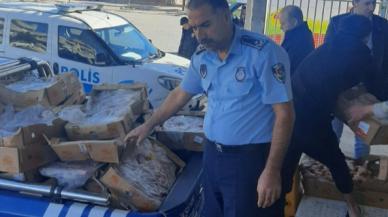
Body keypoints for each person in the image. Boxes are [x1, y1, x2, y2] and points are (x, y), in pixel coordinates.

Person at [126, 0, 295, 216]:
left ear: (225, 15)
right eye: (195, 28)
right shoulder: (202, 56)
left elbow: (285, 115)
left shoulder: (262, 53)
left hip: (250, 162)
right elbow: (180, 94)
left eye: (206, 25)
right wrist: (148, 125)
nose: (199, 35)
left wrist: (271, 171)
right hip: (213, 156)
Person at [284, 15, 374, 217]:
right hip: (312, 120)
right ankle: (352, 207)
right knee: (335, 161)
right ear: (364, 36)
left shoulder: (327, 49)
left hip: (289, 113)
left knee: (287, 163)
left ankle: (277, 204)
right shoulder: (359, 54)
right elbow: (369, 85)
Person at [326, 0, 388, 160]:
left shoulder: (382, 25)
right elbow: (329, 51)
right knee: (334, 129)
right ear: (354, 3)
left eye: (373, 3)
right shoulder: (337, 22)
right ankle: (328, 166)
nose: (372, 8)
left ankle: (360, 168)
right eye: (367, 3)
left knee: (365, 133)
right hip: (341, 87)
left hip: (370, 87)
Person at [279, 5, 315, 75]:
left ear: (294, 22)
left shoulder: (295, 40)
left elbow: (283, 65)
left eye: (283, 23)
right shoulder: (305, 34)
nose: (281, 27)